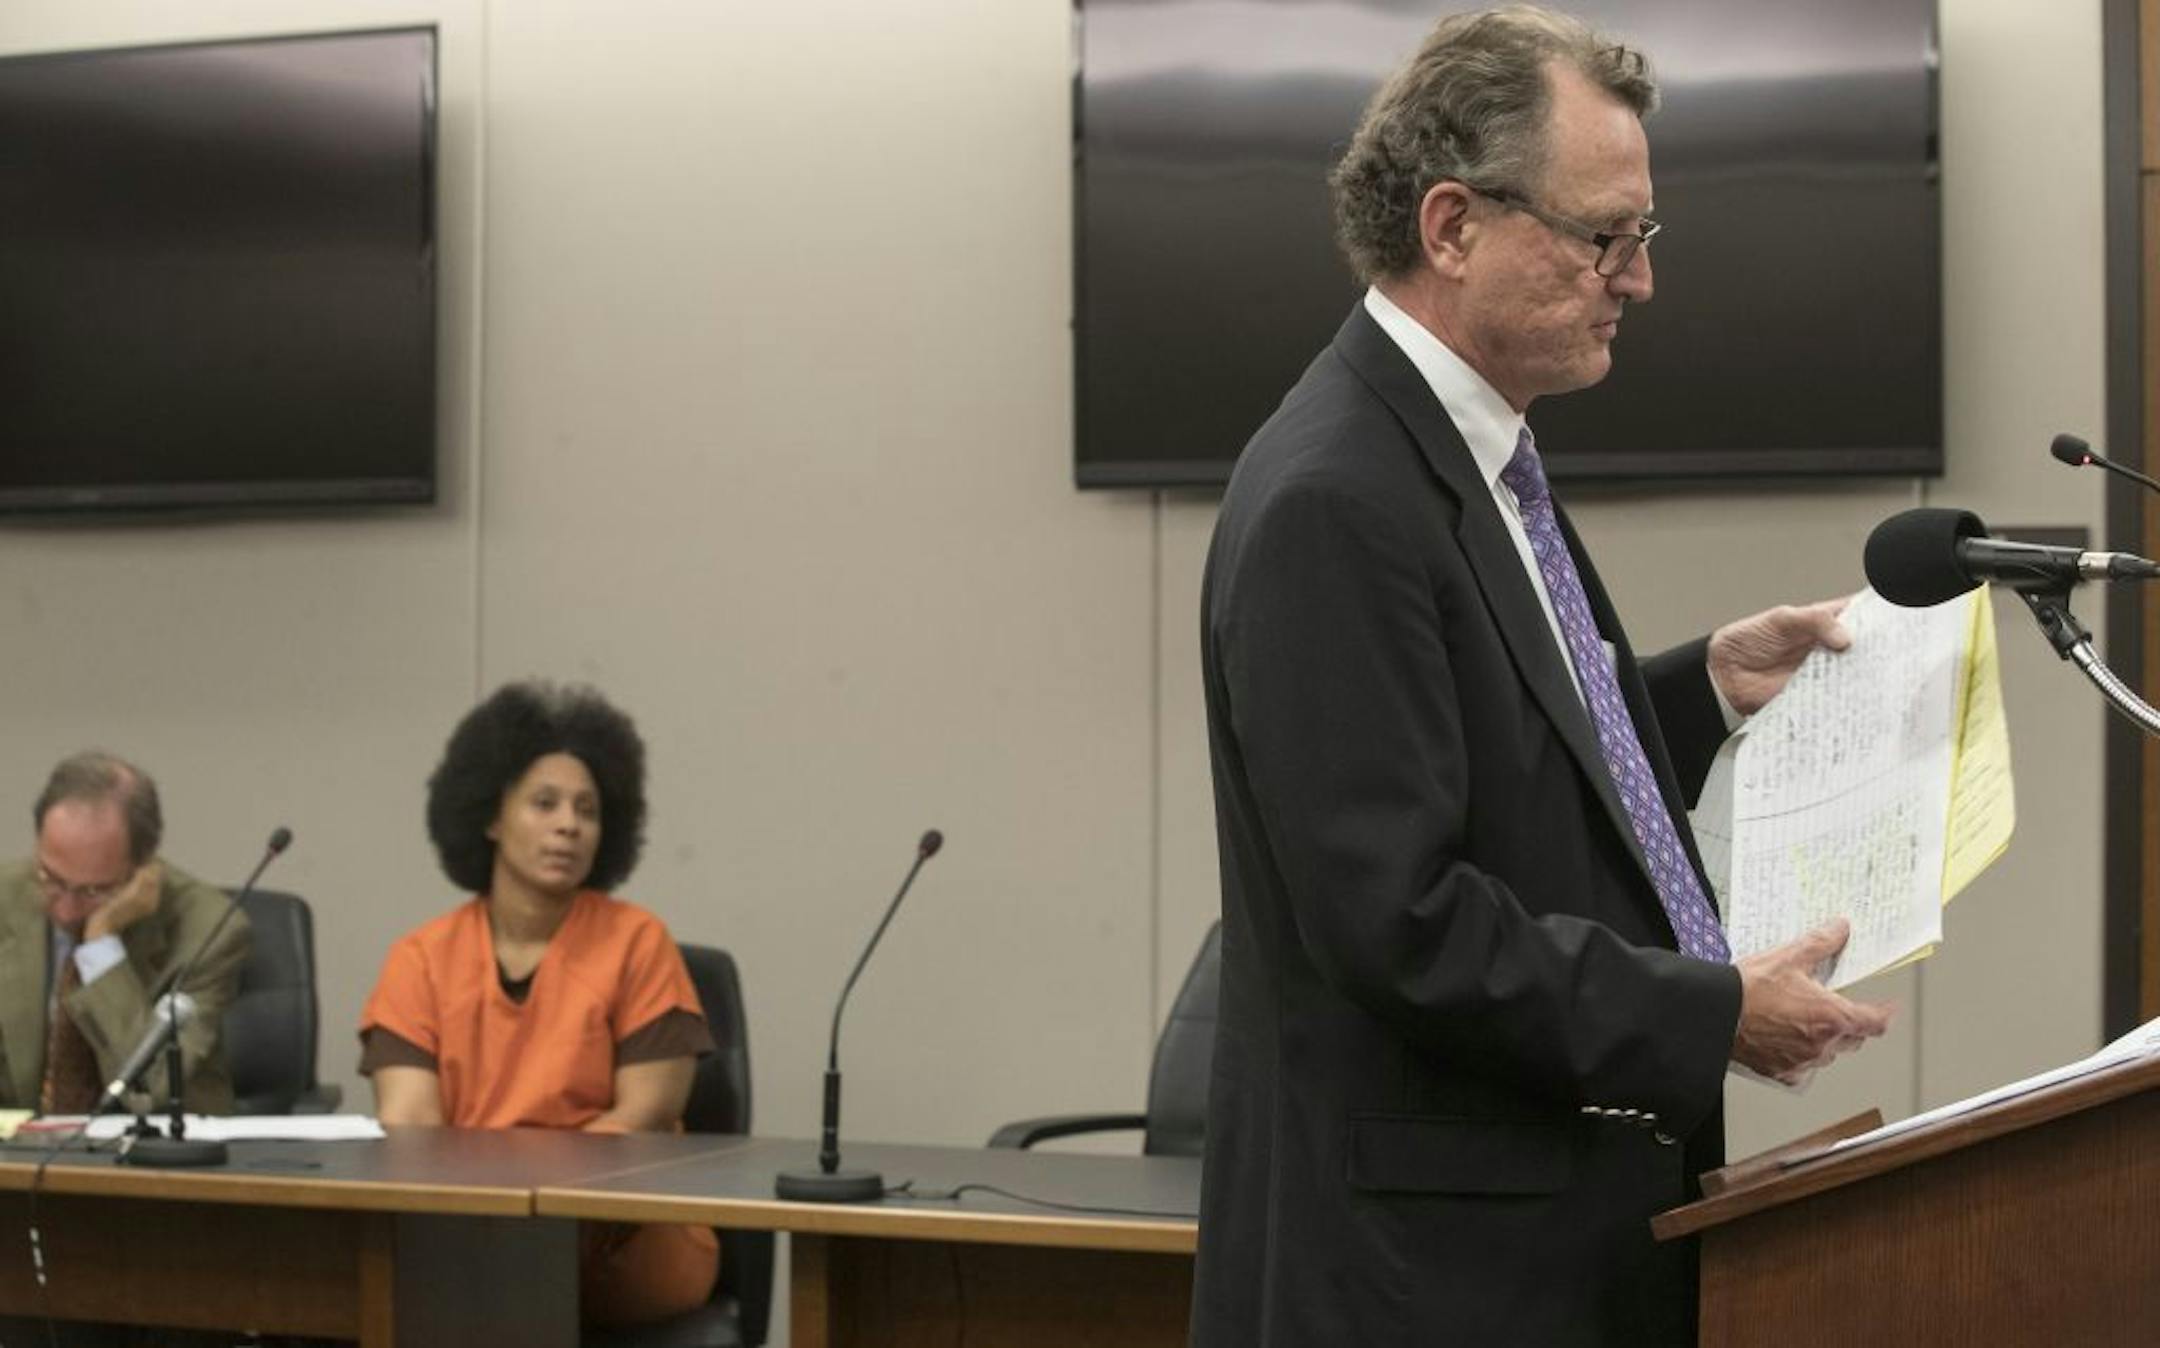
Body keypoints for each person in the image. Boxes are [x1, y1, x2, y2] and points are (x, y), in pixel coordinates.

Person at [1191, 8, 1894, 1346]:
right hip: (1435, 1278)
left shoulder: (1466, 447)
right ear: (1453, 226)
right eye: (1603, 237)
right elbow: (1401, 922)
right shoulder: (1336, 495)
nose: (1637, 281)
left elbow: (1510, 759)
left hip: (1523, 1249)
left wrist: (1696, 693)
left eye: (1645, 238)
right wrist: (1711, 1016)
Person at [359, 682, 720, 1328]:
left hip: (615, 1237)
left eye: (587, 809)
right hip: (463, 1231)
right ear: (492, 817)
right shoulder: (419, 958)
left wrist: (525, 1211)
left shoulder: (638, 942)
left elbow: (642, 1120)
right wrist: (491, 1215)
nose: (569, 825)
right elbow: (410, 1127)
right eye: (545, 803)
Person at [0, 752, 250, 1116]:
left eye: (93, 891)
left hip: (149, 1163)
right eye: (51, 879)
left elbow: (155, 1089)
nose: (66, 910)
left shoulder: (211, 931)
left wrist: (100, 946)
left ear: (143, 867)